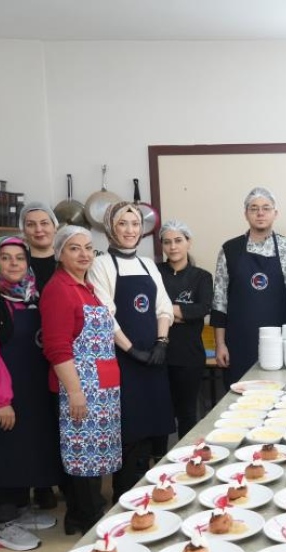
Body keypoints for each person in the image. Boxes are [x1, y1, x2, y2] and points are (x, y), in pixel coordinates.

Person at [0, 236, 61, 551]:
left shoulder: (32, 296)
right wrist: (0, 401)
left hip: (31, 391)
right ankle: (4, 524)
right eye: (5, 258)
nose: (14, 264)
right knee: (4, 453)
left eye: (19, 258)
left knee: (25, 450)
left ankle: (20, 511)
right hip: (2, 395)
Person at [89, 202, 174, 503]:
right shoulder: (101, 265)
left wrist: (161, 343)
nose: (130, 230)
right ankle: (124, 498)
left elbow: (162, 307)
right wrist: (131, 350)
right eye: (123, 223)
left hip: (153, 359)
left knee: (153, 430)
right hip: (123, 361)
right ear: (111, 227)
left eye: (135, 223)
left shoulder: (149, 265)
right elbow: (104, 315)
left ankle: (147, 497)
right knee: (129, 433)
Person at [40, 225, 120, 534]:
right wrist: (74, 391)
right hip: (81, 387)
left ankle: (83, 514)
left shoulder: (85, 287)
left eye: (89, 248)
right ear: (60, 253)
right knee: (83, 457)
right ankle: (87, 520)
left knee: (96, 456)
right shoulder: (58, 289)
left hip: (102, 387)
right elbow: (56, 347)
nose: (84, 254)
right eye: (75, 248)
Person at [211, 188, 286, 384]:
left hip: (281, 346)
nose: (260, 213)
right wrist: (220, 344)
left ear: (275, 213)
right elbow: (220, 303)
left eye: (266, 208)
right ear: (246, 214)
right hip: (239, 344)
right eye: (254, 208)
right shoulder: (230, 249)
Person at [18, 201, 62, 509]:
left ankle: (70, 484)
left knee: (67, 419)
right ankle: (43, 484)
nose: (39, 229)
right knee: (39, 422)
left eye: (44, 222)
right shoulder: (17, 264)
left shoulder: (67, 261)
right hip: (29, 354)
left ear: (55, 227)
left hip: (66, 353)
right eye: (32, 224)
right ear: (24, 230)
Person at [156, 220, 213, 440]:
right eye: (167, 242)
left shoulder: (201, 277)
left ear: (189, 243)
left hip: (189, 356)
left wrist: (165, 312)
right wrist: (180, 313)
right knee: (160, 413)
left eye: (178, 240)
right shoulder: (155, 272)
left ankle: (189, 460)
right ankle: (158, 460)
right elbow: (148, 309)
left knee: (187, 413)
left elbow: (202, 308)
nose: (173, 247)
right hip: (158, 354)